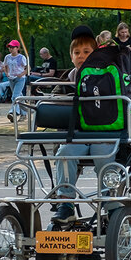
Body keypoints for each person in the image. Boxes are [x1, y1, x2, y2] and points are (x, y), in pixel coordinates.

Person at [51, 32, 104, 224]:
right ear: (71, 56)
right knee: (65, 152)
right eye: (76, 52)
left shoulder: (105, 75)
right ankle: (66, 203)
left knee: (103, 153)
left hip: (102, 132)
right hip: (77, 135)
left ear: (95, 54)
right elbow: (52, 102)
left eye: (86, 52)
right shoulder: (67, 80)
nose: (81, 56)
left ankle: (110, 201)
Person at [3, 39, 28, 122]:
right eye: (9, 47)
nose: (10, 49)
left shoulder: (21, 57)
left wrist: (22, 74)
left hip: (20, 79)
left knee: (15, 96)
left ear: (17, 48)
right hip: (11, 78)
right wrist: (7, 73)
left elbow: (28, 68)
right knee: (19, 96)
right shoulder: (7, 57)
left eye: (12, 47)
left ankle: (13, 112)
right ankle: (24, 114)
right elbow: (5, 66)